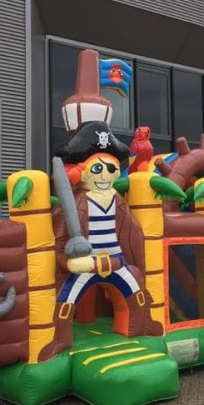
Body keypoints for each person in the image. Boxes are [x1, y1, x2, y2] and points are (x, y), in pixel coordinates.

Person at [39, 121, 162, 361]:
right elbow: (60, 235)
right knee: (65, 301)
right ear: (80, 172)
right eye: (97, 169)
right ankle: (58, 338)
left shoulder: (117, 200)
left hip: (116, 260)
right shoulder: (77, 202)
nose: (105, 175)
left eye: (111, 168)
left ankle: (142, 325)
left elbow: (132, 231)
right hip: (86, 262)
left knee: (136, 293)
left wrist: (137, 257)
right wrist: (66, 261)